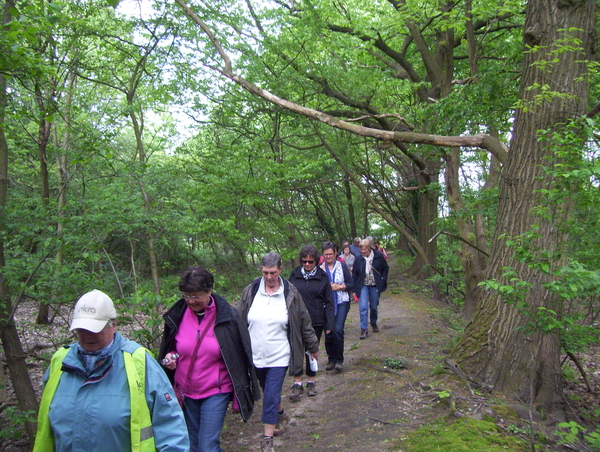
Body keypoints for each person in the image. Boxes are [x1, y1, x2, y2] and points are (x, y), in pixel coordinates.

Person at [33, 289, 190, 452]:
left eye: (94, 329)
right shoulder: (61, 361)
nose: (86, 336)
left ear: (113, 325)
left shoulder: (138, 361)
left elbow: (169, 423)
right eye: (81, 330)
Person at [158, 266, 259, 452]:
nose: (190, 300)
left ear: (209, 292)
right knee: (192, 446)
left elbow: (240, 357)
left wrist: (240, 395)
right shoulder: (177, 315)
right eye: (186, 295)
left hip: (216, 391)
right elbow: (171, 348)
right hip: (186, 392)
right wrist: (170, 357)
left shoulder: (227, 316)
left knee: (207, 447)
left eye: (196, 296)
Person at [238, 252, 320, 452]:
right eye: (265, 272)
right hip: (256, 355)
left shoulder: (290, 293)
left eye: (272, 273)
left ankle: (267, 439)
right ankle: (282, 414)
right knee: (269, 394)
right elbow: (239, 319)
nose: (268, 277)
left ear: (280, 270)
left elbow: (303, 320)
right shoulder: (251, 291)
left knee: (271, 394)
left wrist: (313, 346)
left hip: (279, 354)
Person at [288, 244, 335, 400]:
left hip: (316, 320)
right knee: (296, 351)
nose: (307, 264)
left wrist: (330, 323)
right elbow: (286, 298)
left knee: (312, 352)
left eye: (310, 262)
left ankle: (311, 380)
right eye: (304, 261)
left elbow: (329, 302)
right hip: (296, 320)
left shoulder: (322, 277)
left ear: (316, 261)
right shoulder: (294, 275)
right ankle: (297, 383)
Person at [320, 241, 354, 373]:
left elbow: (351, 284)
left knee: (338, 329)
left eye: (330, 254)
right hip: (325, 304)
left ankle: (339, 360)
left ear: (335, 253)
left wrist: (339, 286)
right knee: (329, 331)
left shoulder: (342, 266)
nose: (328, 257)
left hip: (342, 301)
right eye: (325, 254)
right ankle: (331, 359)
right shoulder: (319, 269)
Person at [352, 238, 390, 339]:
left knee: (373, 306)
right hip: (363, 285)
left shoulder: (378, 256)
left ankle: (373, 322)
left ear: (369, 248)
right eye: (361, 249)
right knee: (363, 307)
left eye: (365, 249)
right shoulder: (359, 259)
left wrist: (383, 279)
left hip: (375, 285)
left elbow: (385, 268)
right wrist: (354, 289)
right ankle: (364, 329)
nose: (363, 251)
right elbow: (355, 274)